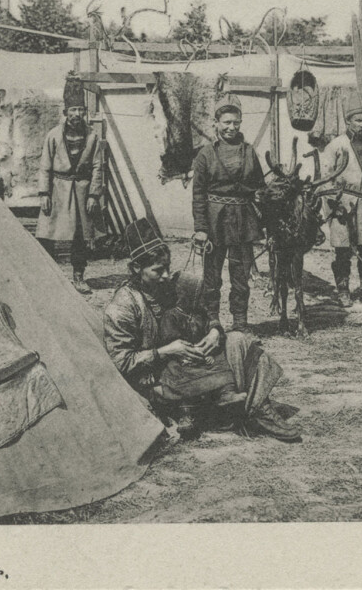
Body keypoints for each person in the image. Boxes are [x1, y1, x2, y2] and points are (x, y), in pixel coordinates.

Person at [103, 218, 301, 442]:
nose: (166, 275)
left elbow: (207, 312)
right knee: (190, 373)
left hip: (193, 359)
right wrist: (166, 351)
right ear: (137, 268)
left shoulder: (178, 285)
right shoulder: (123, 307)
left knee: (237, 339)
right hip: (159, 375)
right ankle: (243, 410)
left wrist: (214, 331)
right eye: (158, 270)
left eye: (167, 267)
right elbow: (121, 362)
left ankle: (256, 409)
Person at [191, 94, 266, 331]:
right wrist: (201, 229)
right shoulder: (205, 154)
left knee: (241, 274)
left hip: (243, 220)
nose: (231, 127)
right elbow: (198, 194)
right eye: (226, 122)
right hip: (215, 220)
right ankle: (212, 319)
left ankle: (240, 321)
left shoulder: (250, 151)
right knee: (212, 275)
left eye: (235, 122)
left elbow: (260, 188)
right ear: (216, 123)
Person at [317, 92, 362, 307]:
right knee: (343, 249)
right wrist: (334, 204)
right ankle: (343, 291)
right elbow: (325, 178)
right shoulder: (337, 145)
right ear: (348, 121)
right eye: (358, 120)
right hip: (344, 204)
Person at [37, 73, 105, 294]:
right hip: (58, 189)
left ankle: (78, 276)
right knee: (49, 234)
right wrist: (44, 193)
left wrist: (94, 195)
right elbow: (45, 166)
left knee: (80, 237)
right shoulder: (53, 136)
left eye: (81, 111)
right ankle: (48, 276)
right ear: (65, 113)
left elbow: (97, 166)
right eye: (73, 111)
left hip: (82, 191)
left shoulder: (93, 136)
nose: (77, 115)